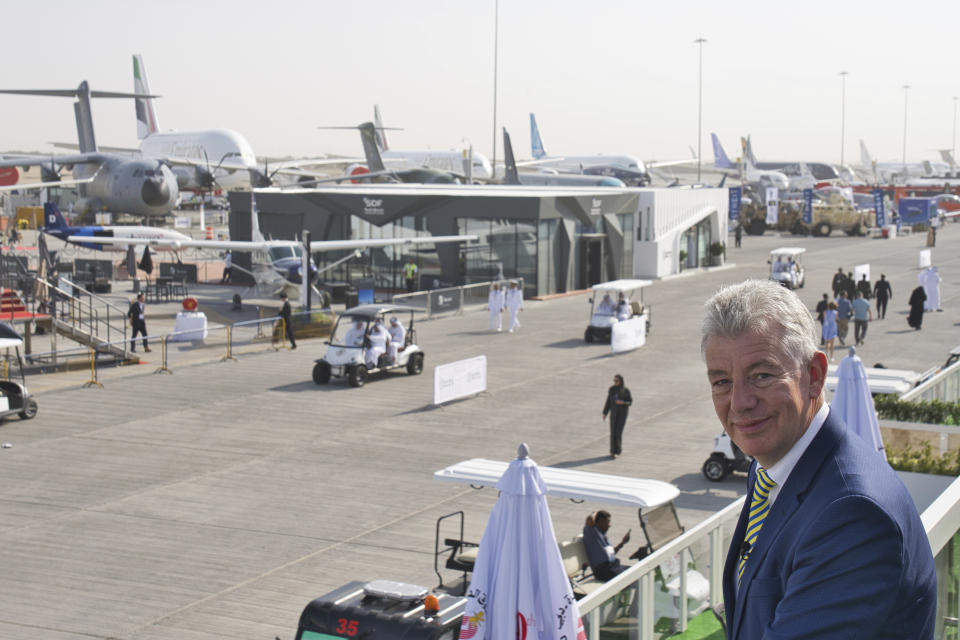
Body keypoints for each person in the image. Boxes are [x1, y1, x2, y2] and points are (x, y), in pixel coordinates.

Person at [701, 279, 936, 639]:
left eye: (761, 376)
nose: (739, 403)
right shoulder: (772, 466)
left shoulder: (853, 512)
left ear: (814, 376)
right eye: (722, 382)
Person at [581, 510, 631, 582]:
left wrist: (622, 543)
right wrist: (596, 513)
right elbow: (589, 518)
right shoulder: (591, 533)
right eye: (608, 522)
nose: (610, 525)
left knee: (636, 571)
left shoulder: (603, 535)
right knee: (628, 577)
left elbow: (610, 555)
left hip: (613, 566)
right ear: (600, 521)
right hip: (603, 571)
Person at [601, 374, 632, 458]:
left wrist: (623, 402)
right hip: (613, 414)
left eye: (617, 381)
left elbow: (630, 402)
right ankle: (612, 452)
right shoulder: (612, 389)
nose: (615, 382)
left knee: (618, 432)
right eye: (614, 381)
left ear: (621, 381)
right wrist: (605, 412)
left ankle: (618, 450)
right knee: (612, 432)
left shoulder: (625, 391)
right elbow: (608, 401)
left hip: (622, 414)